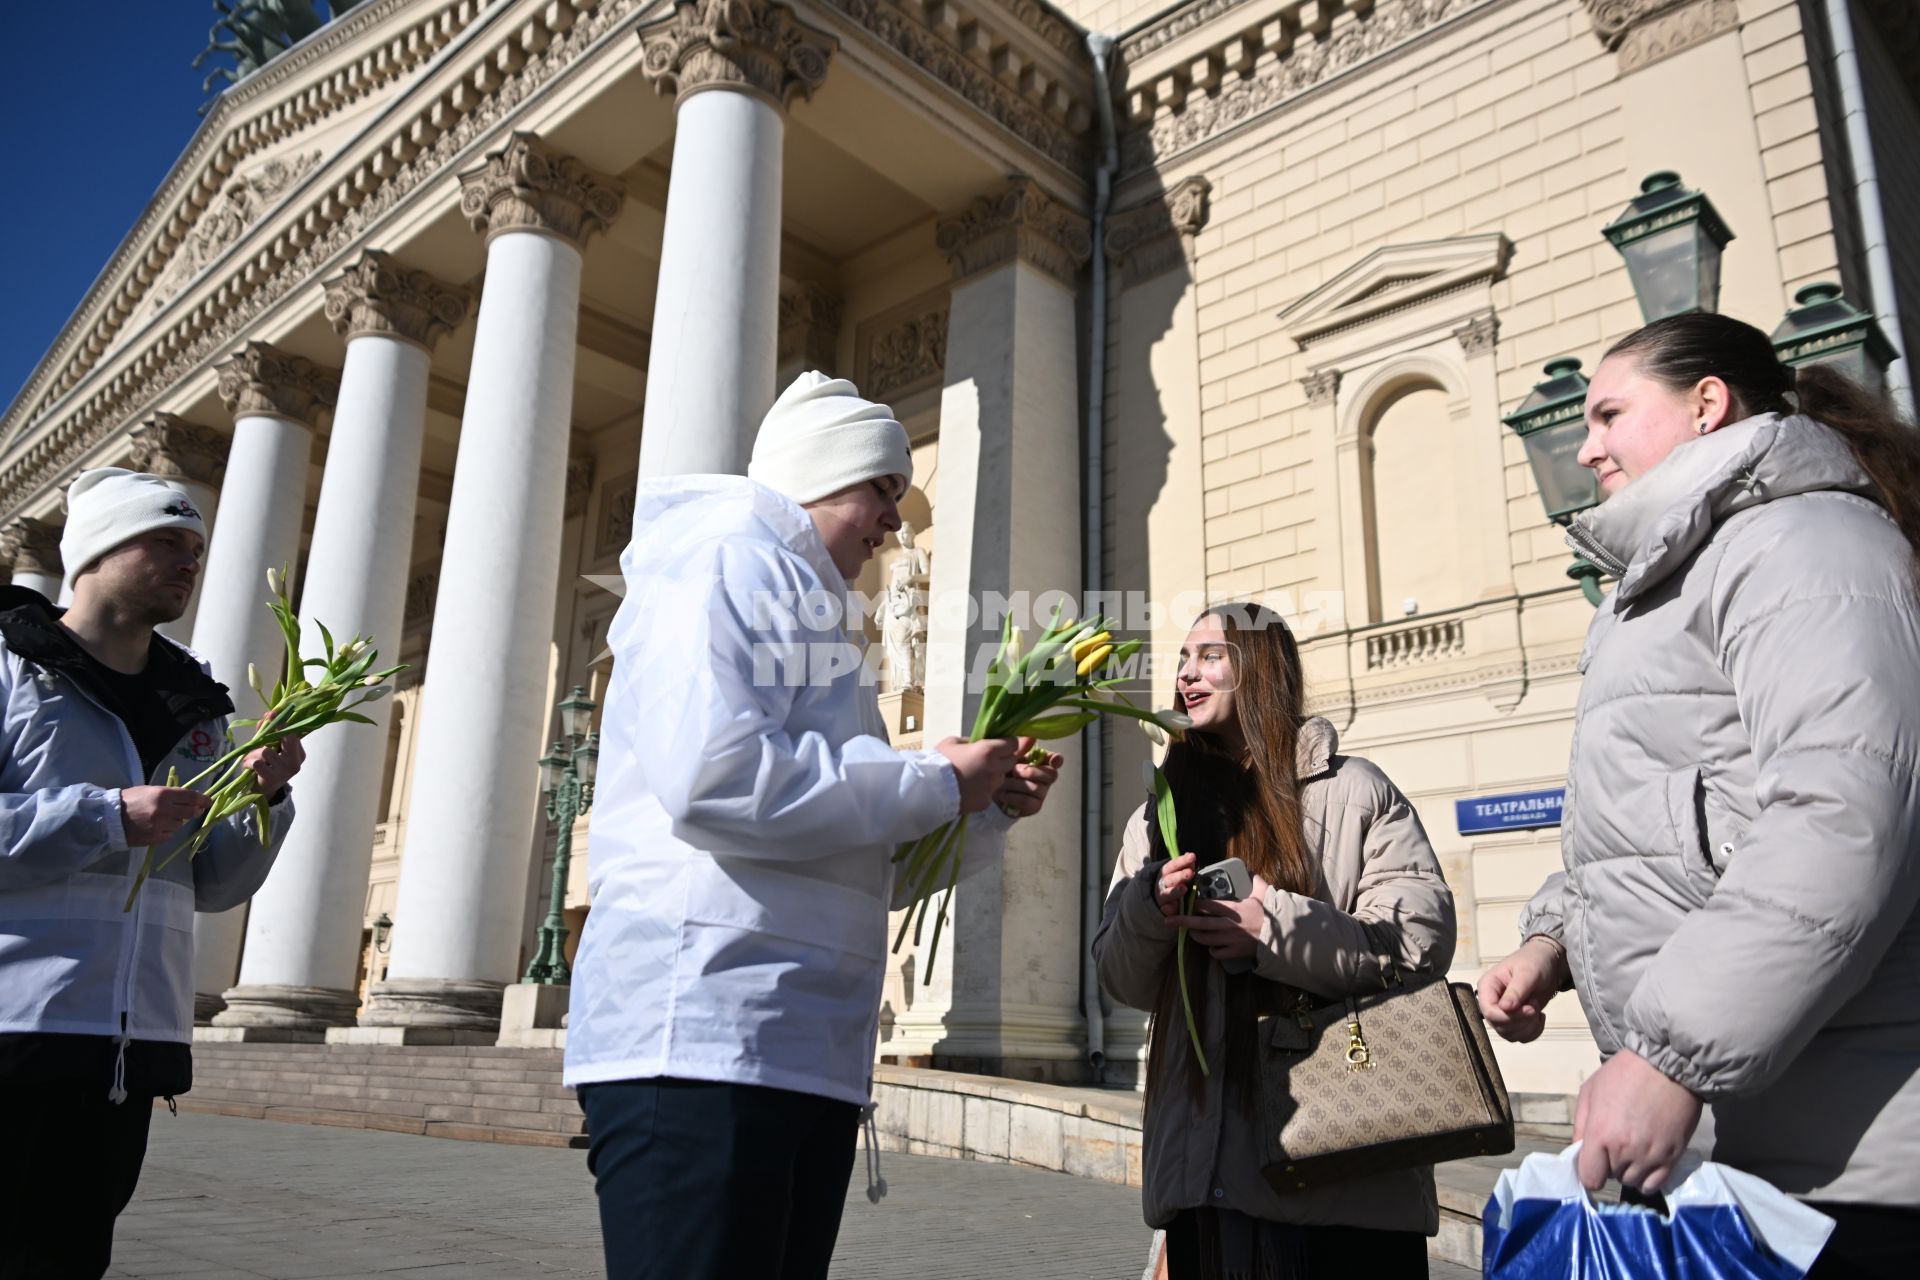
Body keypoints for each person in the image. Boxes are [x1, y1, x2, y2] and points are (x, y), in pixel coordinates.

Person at [566, 371, 1062, 1280]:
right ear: (822, 473)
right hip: (706, 1041)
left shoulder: (806, 603)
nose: (896, 523)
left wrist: (973, 808)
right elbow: (716, 779)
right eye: (885, 490)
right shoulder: (730, 560)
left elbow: (855, 857)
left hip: (788, 1051)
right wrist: (931, 782)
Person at [1476, 313, 1920, 1277]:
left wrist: (1673, 1055)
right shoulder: (1672, 581)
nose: (1584, 443)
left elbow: (1843, 815)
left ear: (1706, 403)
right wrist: (1554, 941)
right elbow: (1673, 821)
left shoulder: (1802, 540)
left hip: (1838, 1174)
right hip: (1743, 1153)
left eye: (1608, 414)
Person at [0, 468, 305, 1280]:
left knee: (67, 1260)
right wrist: (105, 816)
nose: (188, 559)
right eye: (164, 539)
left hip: (131, 1049)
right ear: (96, 552)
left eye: (196, 546)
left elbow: (212, 884)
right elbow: (114, 826)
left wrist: (262, 795)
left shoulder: (196, 710)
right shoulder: (9, 671)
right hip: (15, 1034)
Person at [1095, 602, 1456, 1279]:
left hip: (1344, 1170)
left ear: (1261, 668)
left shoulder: (1353, 792)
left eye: (1210, 656)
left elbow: (1419, 946)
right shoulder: (1159, 816)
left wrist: (1272, 929)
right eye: (1182, 659)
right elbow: (1118, 979)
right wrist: (1150, 909)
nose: (1186, 674)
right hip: (1206, 1178)